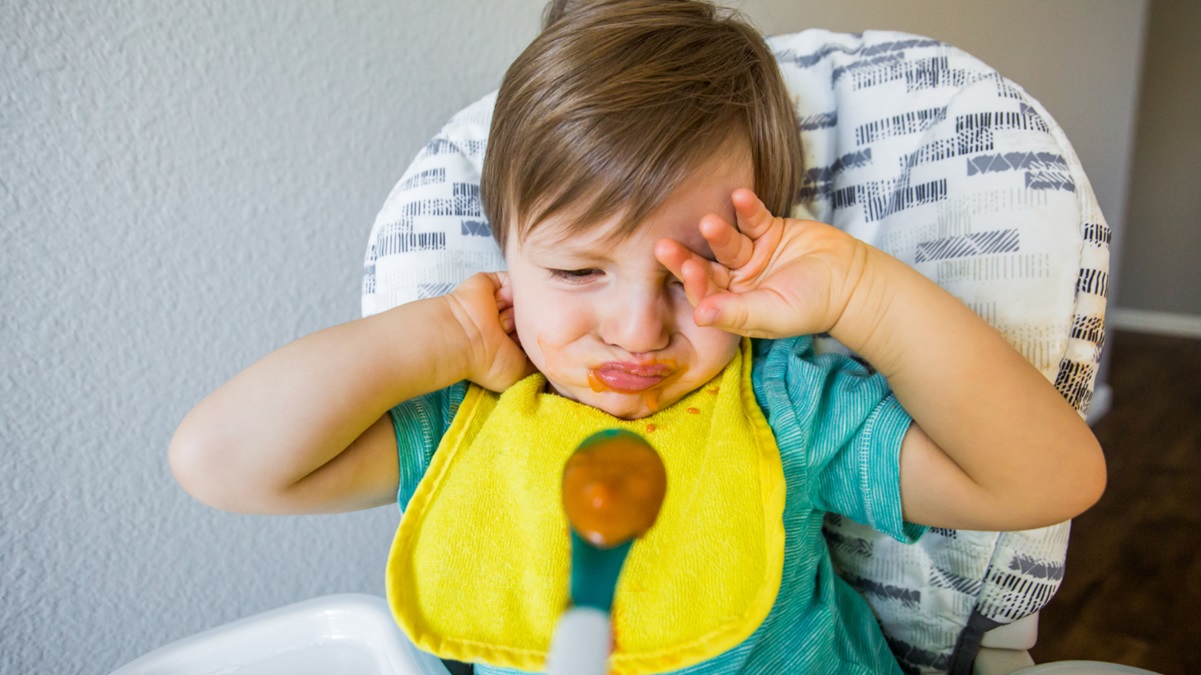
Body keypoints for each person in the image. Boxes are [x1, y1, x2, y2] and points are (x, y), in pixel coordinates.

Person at [169, 1, 1106, 673]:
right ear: (506, 259)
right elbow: (221, 462)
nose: (635, 327)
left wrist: (861, 293)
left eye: (690, 273)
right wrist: (444, 331)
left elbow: (1049, 480)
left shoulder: (781, 410)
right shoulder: (466, 426)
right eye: (577, 272)